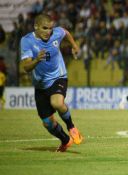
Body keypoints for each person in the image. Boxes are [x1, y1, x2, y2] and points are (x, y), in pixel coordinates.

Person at [20, 14, 83, 152]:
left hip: (58, 76)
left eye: (50, 28)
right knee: (47, 123)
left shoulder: (56, 33)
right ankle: (66, 141)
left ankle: (71, 127)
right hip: (40, 85)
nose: (48, 32)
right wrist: (36, 60)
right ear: (36, 26)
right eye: (44, 28)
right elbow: (25, 67)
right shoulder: (27, 41)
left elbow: (65, 32)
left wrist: (74, 45)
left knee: (57, 103)